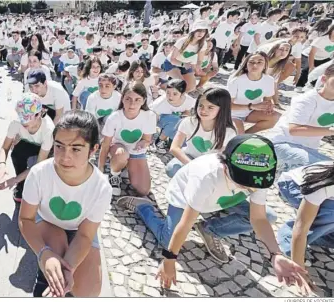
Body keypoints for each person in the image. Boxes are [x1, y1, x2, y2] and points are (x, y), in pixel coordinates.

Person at [117, 134, 307, 276]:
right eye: (243, 181)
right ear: (225, 165)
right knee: (169, 241)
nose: (250, 187)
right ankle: (145, 208)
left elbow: (258, 218)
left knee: (270, 216)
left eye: (254, 183)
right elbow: (186, 222)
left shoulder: (257, 175)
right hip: (185, 196)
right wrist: (169, 260)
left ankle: (209, 229)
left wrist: (275, 254)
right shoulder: (206, 176)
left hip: (221, 199)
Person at [19, 110, 111, 297]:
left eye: (76, 148)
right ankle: (44, 277)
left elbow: (85, 235)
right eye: (59, 146)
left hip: (80, 229)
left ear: (93, 149)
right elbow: (25, 218)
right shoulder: (39, 173)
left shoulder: (101, 187)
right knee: (55, 248)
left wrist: (68, 268)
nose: (64, 156)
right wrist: (44, 254)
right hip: (46, 221)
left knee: (89, 291)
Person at [276, 161, 334, 296]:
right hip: (292, 184)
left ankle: (324, 233)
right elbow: (301, 227)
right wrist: (298, 269)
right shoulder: (326, 184)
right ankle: (287, 237)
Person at [264, 63, 334, 173]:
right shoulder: (307, 99)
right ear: (324, 79)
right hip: (283, 143)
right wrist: (330, 131)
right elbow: (294, 130)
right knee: (327, 171)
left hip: (309, 148)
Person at [98, 83, 156, 196]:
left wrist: (142, 143)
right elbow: (105, 145)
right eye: (128, 99)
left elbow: (147, 139)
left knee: (144, 190)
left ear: (143, 101)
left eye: (137, 99)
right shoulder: (114, 117)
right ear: (122, 99)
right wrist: (99, 171)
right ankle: (114, 174)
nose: (132, 104)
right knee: (121, 155)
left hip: (136, 152)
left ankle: (126, 166)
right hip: (117, 148)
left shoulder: (149, 116)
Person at [165, 88, 237, 177]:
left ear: (222, 109)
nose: (203, 110)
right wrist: (192, 165)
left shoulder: (228, 131)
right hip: (189, 157)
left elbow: (224, 157)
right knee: (172, 169)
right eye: (200, 105)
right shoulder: (189, 122)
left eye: (210, 107)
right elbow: (174, 147)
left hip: (211, 164)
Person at [0, 94, 54, 203]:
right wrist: (1, 165)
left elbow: (38, 165)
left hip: (45, 148)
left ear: (38, 114)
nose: (23, 123)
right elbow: (5, 147)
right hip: (28, 142)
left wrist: (13, 180)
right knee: (16, 154)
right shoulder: (16, 123)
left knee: (44, 170)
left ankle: (37, 187)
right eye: (21, 118)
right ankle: (21, 185)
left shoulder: (48, 129)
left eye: (26, 120)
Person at [228, 51, 280, 134]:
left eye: (260, 62)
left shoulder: (269, 80)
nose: (255, 65)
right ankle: (240, 135)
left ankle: (247, 134)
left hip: (251, 113)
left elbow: (267, 100)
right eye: (251, 62)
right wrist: (252, 106)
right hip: (233, 114)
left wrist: (269, 107)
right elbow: (228, 105)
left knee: (276, 117)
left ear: (265, 65)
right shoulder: (236, 80)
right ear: (246, 65)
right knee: (237, 139)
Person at [161, 20, 209, 93]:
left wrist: (198, 66)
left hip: (186, 65)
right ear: (193, 31)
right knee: (181, 83)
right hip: (171, 63)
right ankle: (166, 89)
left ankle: (178, 97)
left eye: (203, 31)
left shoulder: (203, 44)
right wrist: (183, 64)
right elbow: (172, 59)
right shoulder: (182, 41)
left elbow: (200, 60)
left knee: (191, 87)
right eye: (198, 30)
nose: (200, 33)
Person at [151, 79, 196, 154]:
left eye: (175, 94)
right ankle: (160, 141)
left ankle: (172, 141)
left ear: (182, 94)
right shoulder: (159, 103)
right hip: (160, 119)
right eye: (168, 93)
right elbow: (153, 119)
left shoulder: (189, 101)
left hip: (177, 120)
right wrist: (149, 137)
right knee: (175, 120)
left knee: (183, 143)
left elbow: (187, 113)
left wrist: (183, 117)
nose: (170, 96)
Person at [296, 23, 334, 92]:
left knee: (324, 71)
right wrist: (311, 66)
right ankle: (300, 85)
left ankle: (312, 84)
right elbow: (312, 52)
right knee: (307, 70)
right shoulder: (322, 39)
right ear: (331, 30)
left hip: (324, 58)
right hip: (310, 56)